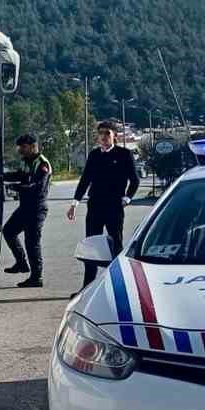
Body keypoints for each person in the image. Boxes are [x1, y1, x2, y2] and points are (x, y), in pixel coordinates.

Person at [67, 119, 139, 290]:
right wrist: (75, 202)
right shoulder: (94, 155)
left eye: (107, 133)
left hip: (114, 206)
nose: (104, 137)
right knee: (92, 245)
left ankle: (119, 285)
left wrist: (127, 198)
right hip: (95, 206)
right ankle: (87, 287)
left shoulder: (124, 154)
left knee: (116, 244)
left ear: (114, 136)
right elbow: (85, 180)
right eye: (101, 134)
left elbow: (134, 180)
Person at [2, 133, 52, 288]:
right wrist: (0, 177)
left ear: (32, 146)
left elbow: (38, 187)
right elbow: (19, 175)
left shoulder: (42, 164)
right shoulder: (26, 162)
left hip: (37, 207)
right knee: (8, 231)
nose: (20, 150)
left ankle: (37, 277)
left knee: (32, 243)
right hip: (25, 207)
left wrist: (15, 187)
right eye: (19, 147)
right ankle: (21, 263)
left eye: (23, 147)